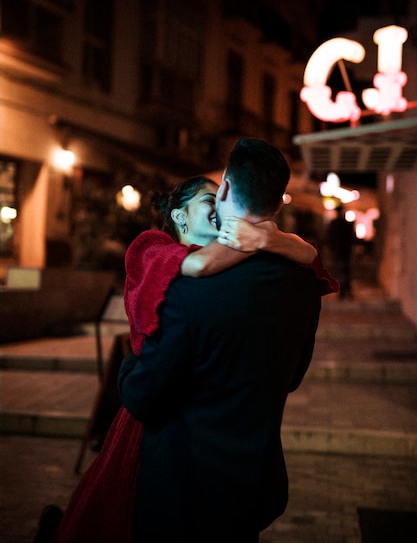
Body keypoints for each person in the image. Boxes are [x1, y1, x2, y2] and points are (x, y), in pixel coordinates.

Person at [38, 168, 337, 543]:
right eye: (208, 201)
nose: (220, 209)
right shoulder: (161, 256)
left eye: (222, 201)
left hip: (198, 473)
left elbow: (306, 255)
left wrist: (268, 240)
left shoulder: (241, 270)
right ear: (179, 216)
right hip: (185, 459)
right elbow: (199, 267)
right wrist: (266, 238)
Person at [118, 138, 330, 543]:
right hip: (250, 489)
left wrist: (130, 363)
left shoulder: (184, 292)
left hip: (183, 493)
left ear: (227, 190)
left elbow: (143, 397)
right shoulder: (304, 283)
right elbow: (291, 377)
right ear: (278, 204)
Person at [326, 203, 355, 299]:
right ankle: (345, 291)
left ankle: (345, 291)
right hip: (343, 251)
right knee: (344, 270)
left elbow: (331, 238)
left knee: (342, 270)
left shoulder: (337, 224)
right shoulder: (343, 224)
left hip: (341, 251)